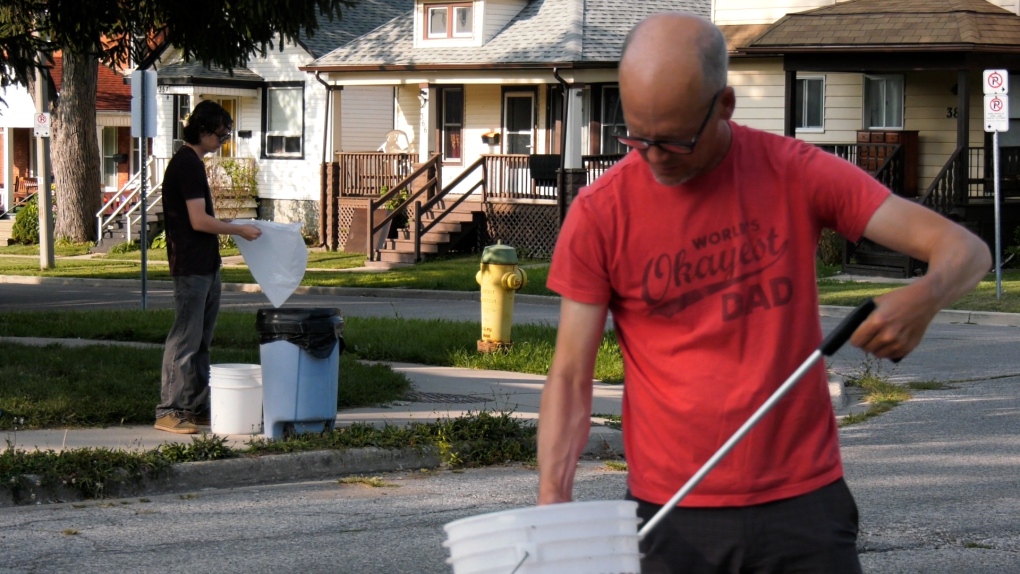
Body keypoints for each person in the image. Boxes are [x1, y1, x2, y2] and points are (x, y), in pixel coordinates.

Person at [537, 12, 991, 574]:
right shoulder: (601, 212)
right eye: (637, 136)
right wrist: (553, 504)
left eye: (674, 142)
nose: (652, 158)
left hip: (802, 507)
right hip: (669, 512)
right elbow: (569, 375)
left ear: (724, 106)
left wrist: (926, 294)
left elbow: (965, 251)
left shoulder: (793, 172)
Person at [155, 100, 263, 434]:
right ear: (202, 130)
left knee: (202, 341)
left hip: (206, 264)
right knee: (185, 340)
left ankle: (195, 406)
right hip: (190, 266)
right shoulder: (186, 164)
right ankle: (169, 410)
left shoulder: (195, 164)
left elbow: (203, 218)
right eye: (220, 134)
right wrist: (239, 230)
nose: (223, 141)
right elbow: (198, 221)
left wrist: (225, 222)